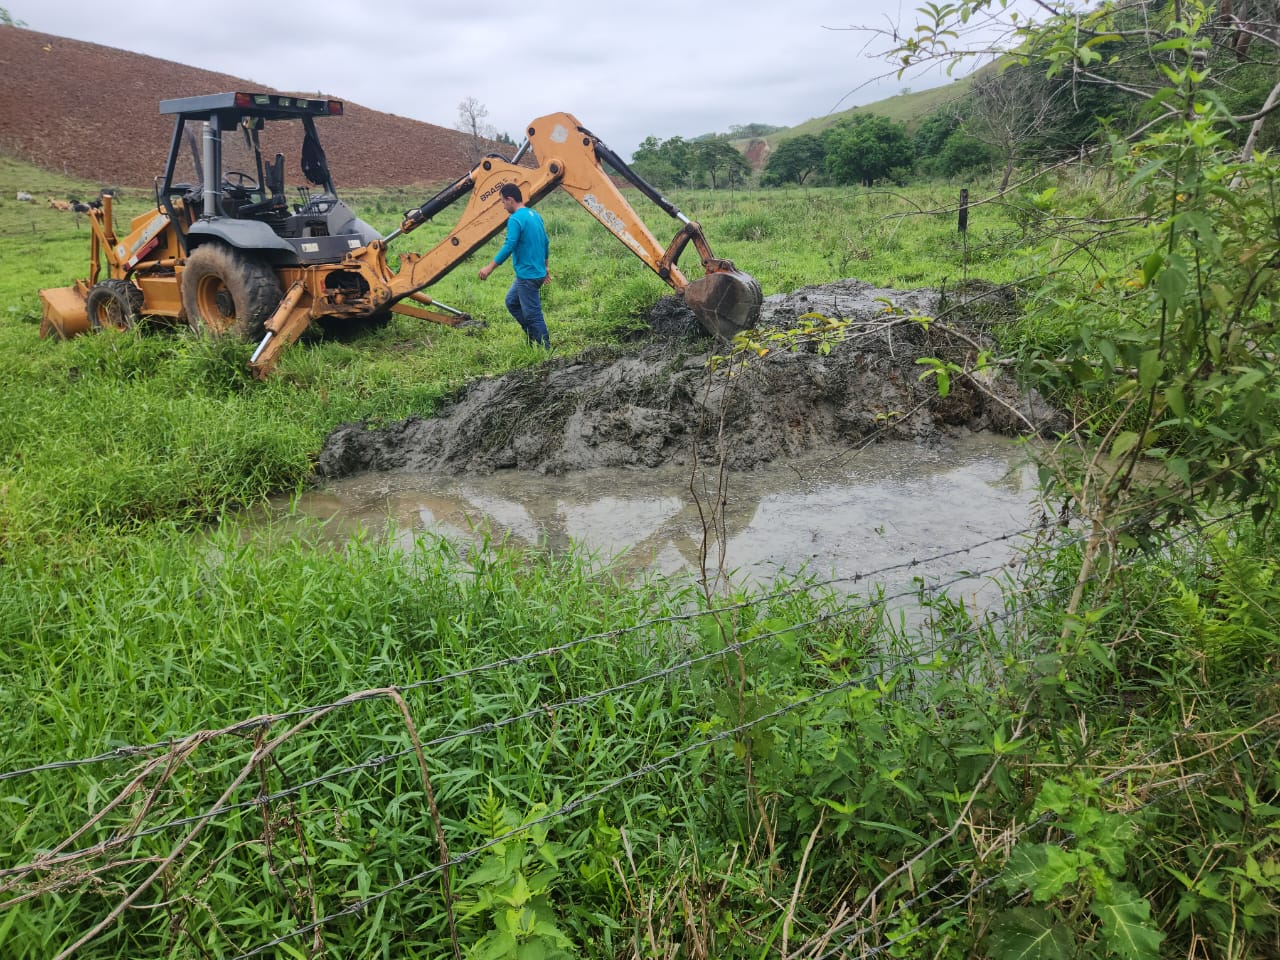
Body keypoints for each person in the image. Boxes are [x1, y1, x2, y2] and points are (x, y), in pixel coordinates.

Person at [478, 183, 551, 347]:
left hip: (528, 276)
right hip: (534, 273)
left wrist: (489, 267)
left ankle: (546, 350)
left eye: (503, 202)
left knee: (533, 315)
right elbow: (546, 242)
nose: (503, 206)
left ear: (510, 200)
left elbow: (509, 245)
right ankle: (532, 336)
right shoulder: (534, 214)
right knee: (511, 302)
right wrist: (546, 267)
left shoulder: (515, 219)